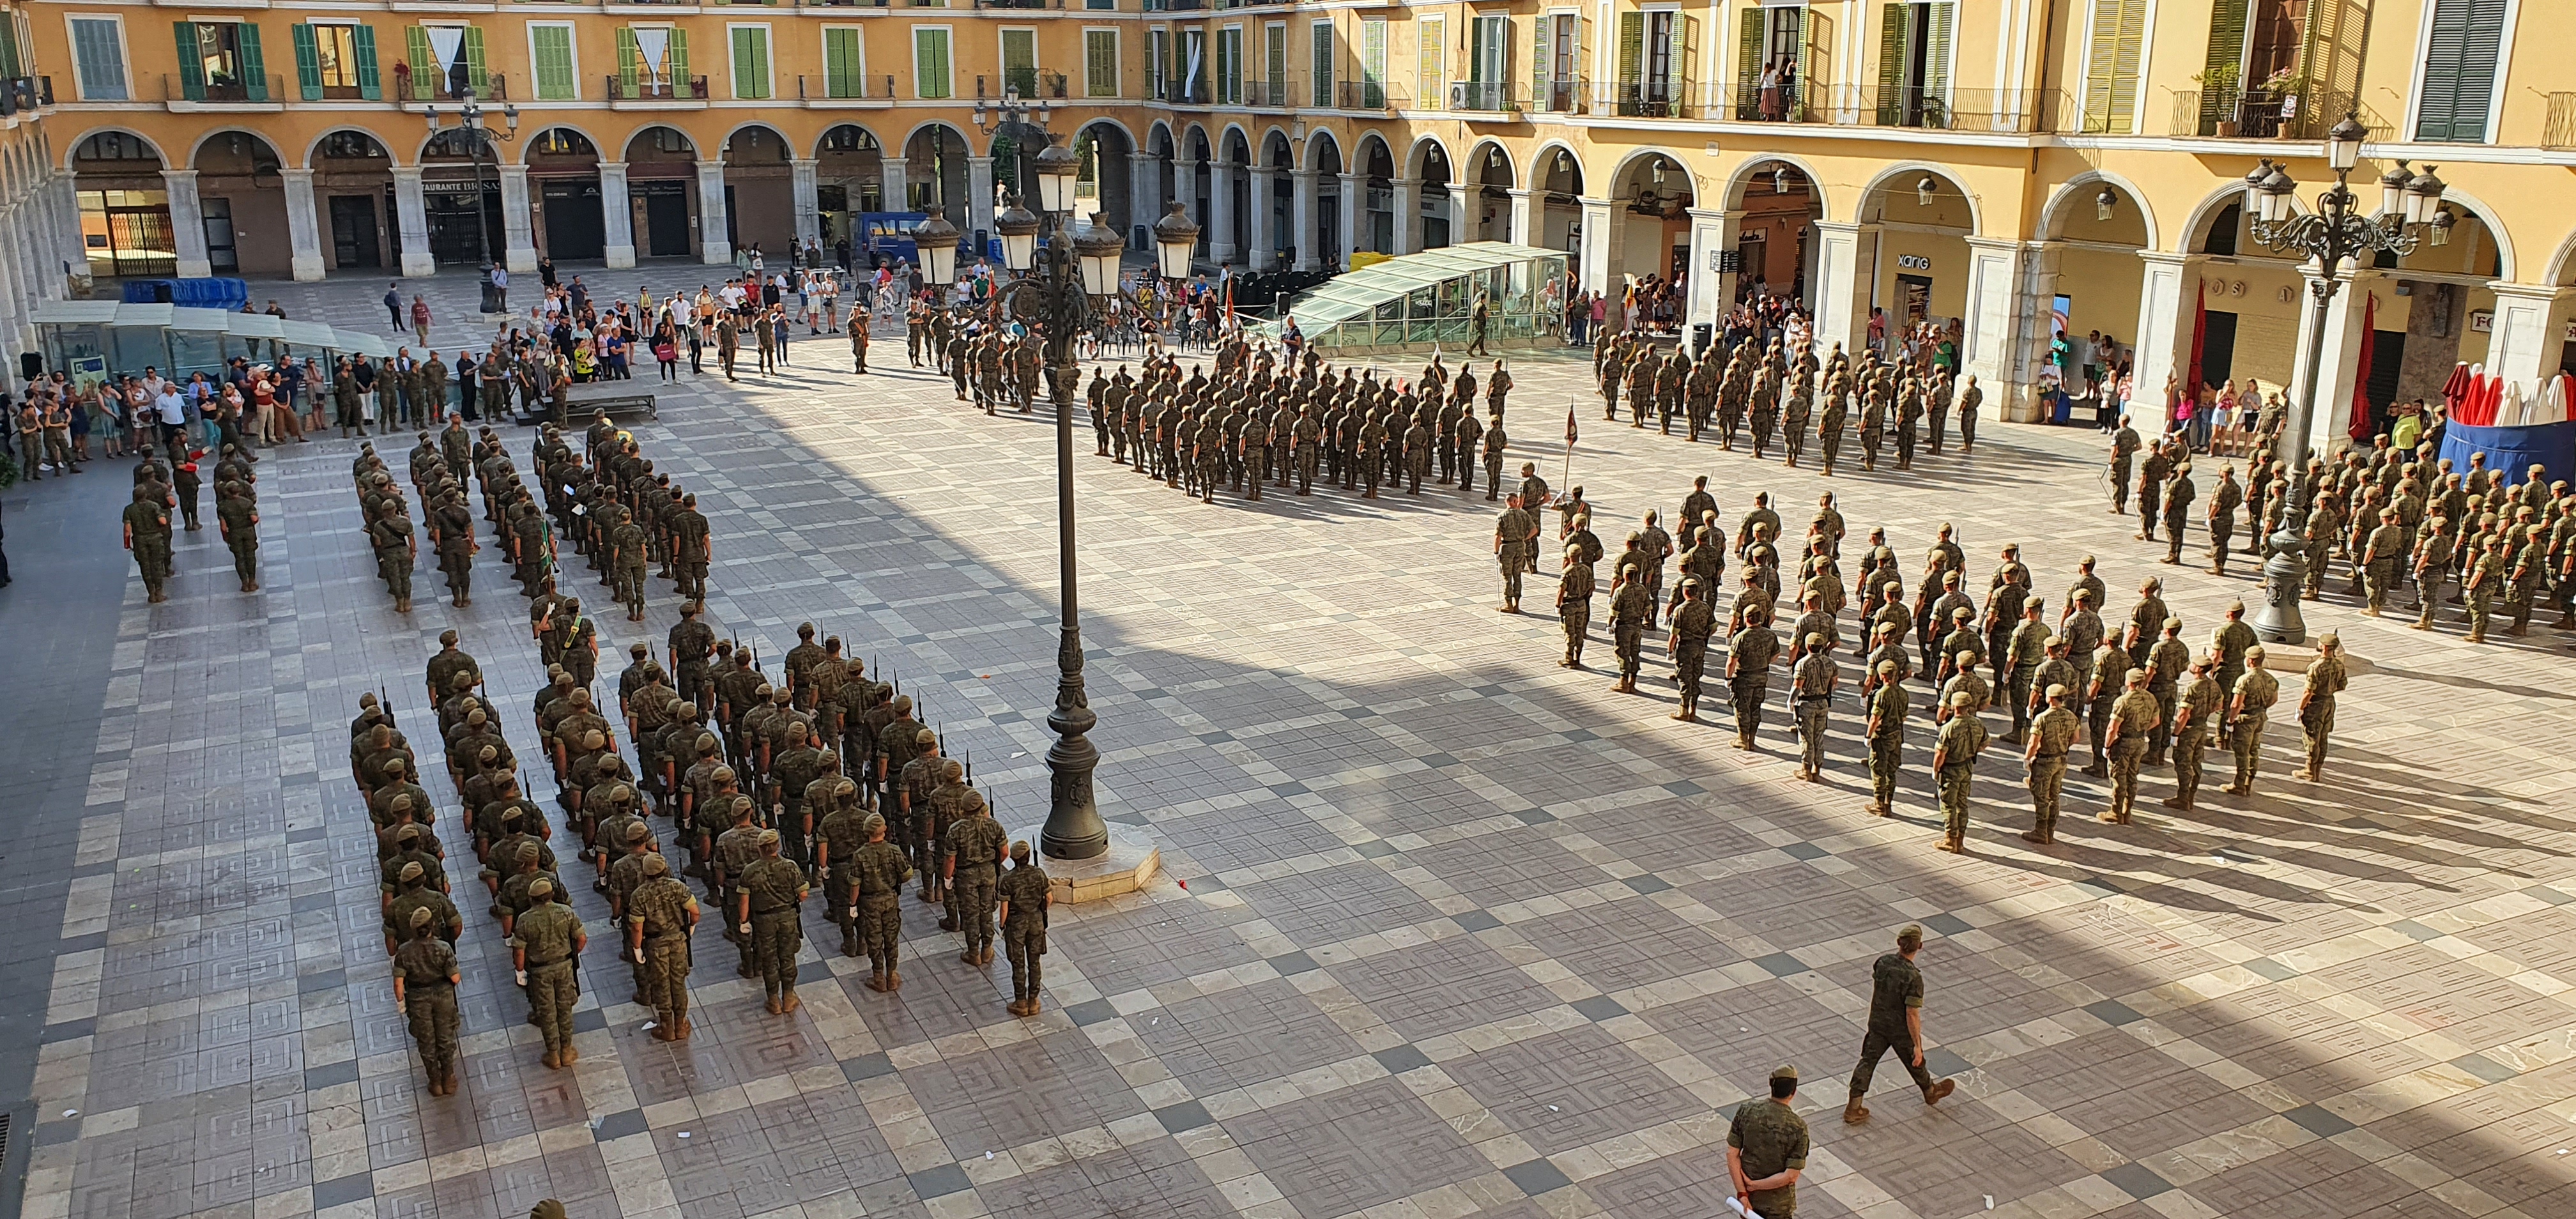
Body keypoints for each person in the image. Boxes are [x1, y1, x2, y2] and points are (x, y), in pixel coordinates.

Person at [1843, 924, 1958, 1124]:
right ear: (1920, 946)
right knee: (1915, 1058)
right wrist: (1917, 1044)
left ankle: (1853, 1107)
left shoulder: (1883, 962)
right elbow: (1912, 1013)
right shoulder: (1914, 977)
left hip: (1877, 1022)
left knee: (1867, 1061)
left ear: (1899, 943)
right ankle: (1930, 1091)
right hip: (1899, 1028)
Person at [509, 877, 586, 1070]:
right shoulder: (566, 912)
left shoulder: (525, 919)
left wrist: (519, 971)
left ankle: (553, 1054)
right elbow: (582, 939)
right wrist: (570, 954)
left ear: (532, 898)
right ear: (551, 895)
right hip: (564, 966)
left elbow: (519, 950)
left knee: (547, 1012)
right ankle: (567, 1051)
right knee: (565, 1008)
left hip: (539, 971)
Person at [737, 828, 809, 1013]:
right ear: (777, 846)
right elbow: (803, 893)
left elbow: (744, 901)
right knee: (787, 957)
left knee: (768, 960)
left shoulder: (749, 871)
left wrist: (744, 922)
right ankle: (788, 996)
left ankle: (773, 1000)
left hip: (763, 921)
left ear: (759, 848)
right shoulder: (790, 866)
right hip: (787, 917)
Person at [393, 907, 463, 1095]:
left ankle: (435, 1082)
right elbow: (455, 978)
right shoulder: (443, 948)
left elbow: (399, 984)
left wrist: (402, 1003)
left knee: (426, 1040)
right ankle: (448, 1078)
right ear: (432, 926)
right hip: (443, 996)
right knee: (445, 1037)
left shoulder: (404, 952)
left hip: (417, 998)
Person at [1727, 1065, 1809, 1219]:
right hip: (1778, 1205)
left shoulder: (1747, 1111)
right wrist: (1754, 1185)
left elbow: (1732, 1155)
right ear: (1794, 1092)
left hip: (1749, 1202)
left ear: (1771, 1086)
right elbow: (1790, 1176)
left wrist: (1743, 1193)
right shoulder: (1798, 1127)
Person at [996, 839, 1052, 1016]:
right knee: (1034, 962)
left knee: (1018, 964)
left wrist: (1002, 925)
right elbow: (1049, 898)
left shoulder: (1007, 879)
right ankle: (1034, 1000)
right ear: (1028, 857)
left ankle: (1021, 1001)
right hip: (1036, 922)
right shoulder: (1039, 874)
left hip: (1016, 925)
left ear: (1013, 859)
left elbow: (1004, 907)